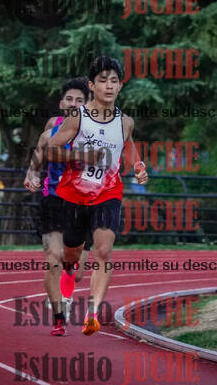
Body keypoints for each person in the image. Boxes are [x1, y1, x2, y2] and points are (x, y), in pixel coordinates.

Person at [47, 56, 148, 336]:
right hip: (73, 193)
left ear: (120, 86)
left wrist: (138, 166)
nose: (109, 86)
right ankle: (66, 292)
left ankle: (91, 314)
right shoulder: (77, 118)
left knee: (103, 250)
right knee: (71, 256)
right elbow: (51, 150)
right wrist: (81, 156)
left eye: (114, 81)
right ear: (92, 85)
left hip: (108, 192)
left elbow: (128, 145)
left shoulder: (125, 122)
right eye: (103, 81)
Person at [23, 78, 91, 336]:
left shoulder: (95, 132)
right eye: (69, 99)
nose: (73, 104)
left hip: (83, 203)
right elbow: (39, 154)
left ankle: (68, 279)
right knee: (53, 258)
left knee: (76, 270)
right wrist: (32, 174)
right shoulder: (52, 128)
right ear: (62, 103)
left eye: (79, 100)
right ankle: (59, 317)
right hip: (53, 199)